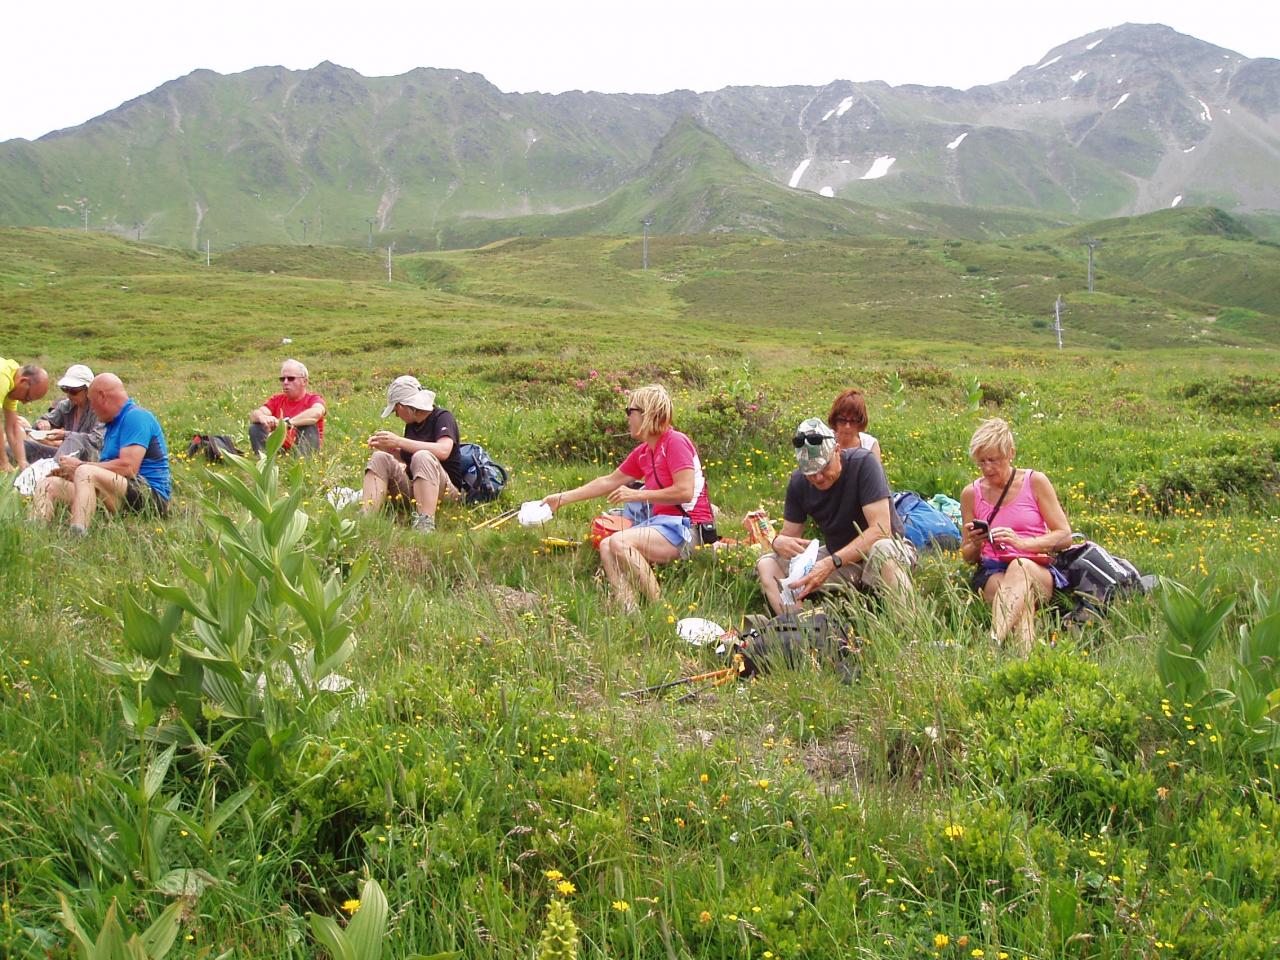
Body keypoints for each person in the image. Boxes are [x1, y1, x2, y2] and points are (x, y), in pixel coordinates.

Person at [541, 383, 715, 610]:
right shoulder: (645, 452)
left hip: (690, 527)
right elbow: (609, 482)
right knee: (606, 545)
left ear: (648, 414)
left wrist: (637, 495)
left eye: (629, 412)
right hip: (662, 525)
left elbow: (685, 491)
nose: (627, 419)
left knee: (620, 541)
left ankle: (659, 610)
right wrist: (561, 499)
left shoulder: (675, 442)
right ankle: (629, 609)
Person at [756, 417, 915, 615]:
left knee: (882, 548)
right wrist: (777, 541)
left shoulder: (864, 463)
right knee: (767, 564)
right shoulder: (798, 482)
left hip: (886, 551)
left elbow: (881, 530)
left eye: (824, 467)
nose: (818, 477)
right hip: (837, 559)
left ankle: (910, 632)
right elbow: (790, 537)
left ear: (837, 451)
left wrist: (831, 563)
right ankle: (801, 630)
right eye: (810, 472)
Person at [960, 418, 1072, 655]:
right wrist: (976, 543)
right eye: (982, 462)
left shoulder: (1035, 482)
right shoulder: (971, 494)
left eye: (994, 460)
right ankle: (1025, 661)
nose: (988, 468)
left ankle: (993, 641)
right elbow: (967, 556)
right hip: (993, 571)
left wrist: (1023, 544)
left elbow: (1064, 536)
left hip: (1035, 568)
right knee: (1020, 601)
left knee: (1020, 566)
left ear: (1011, 453)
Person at [32, 373, 171, 534]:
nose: (93, 410)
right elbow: (106, 471)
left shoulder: (136, 417)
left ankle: (76, 535)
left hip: (150, 497)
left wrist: (80, 466)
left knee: (85, 472)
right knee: (48, 484)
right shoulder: (111, 425)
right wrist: (71, 473)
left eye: (92, 403)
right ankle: (33, 532)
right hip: (117, 492)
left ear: (103, 397)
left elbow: (129, 467)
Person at [362, 375, 463, 533]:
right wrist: (387, 448)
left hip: (446, 490)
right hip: (417, 489)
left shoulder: (443, 417)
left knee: (422, 455)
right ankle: (366, 519)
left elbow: (444, 450)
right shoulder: (411, 426)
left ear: (404, 406)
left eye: (396, 410)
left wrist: (399, 441)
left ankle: (425, 524)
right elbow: (407, 458)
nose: (396, 415)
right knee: (379, 458)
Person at [23, 364, 104, 463]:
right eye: (65, 389)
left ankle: (50, 468)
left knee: (72, 443)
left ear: (88, 390)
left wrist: (65, 435)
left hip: (88, 460)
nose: (69, 395)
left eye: (74, 391)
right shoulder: (65, 406)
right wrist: (43, 423)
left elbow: (97, 440)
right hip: (64, 453)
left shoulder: (99, 411)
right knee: (23, 446)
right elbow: (45, 420)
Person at [248, 359, 326, 456]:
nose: (285, 382)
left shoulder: (313, 399)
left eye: (291, 378)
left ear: (304, 381)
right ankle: (265, 460)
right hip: (281, 450)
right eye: (282, 379)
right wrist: (263, 418)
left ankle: (304, 462)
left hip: (304, 450)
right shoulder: (276, 400)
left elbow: (316, 413)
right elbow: (255, 414)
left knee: (308, 425)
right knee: (255, 427)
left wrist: (286, 424)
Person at [2, 359, 50, 472]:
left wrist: (22, 462)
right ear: (24, 381)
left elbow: (13, 428)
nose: (24, 402)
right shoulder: (2, 378)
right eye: (27, 398)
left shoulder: (13, 380)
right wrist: (3, 462)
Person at [828, 388, 881, 462]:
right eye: (842, 420)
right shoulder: (824, 440)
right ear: (834, 419)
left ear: (861, 422)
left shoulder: (870, 445)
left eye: (853, 421)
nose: (847, 426)